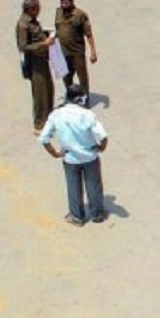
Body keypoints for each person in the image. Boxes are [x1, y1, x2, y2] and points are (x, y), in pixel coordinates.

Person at [38, 85, 108, 226]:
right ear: (79, 98)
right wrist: (101, 147)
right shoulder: (87, 114)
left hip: (70, 159)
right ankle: (98, 214)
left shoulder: (56, 115)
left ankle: (77, 217)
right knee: (94, 186)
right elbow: (103, 136)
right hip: (90, 157)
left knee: (73, 187)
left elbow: (44, 139)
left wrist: (56, 154)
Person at [17, 0, 56, 134]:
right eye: (38, 8)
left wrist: (46, 34)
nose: (39, 10)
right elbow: (23, 46)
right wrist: (43, 44)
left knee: (49, 89)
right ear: (31, 9)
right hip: (34, 64)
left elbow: (35, 34)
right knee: (40, 94)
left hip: (42, 60)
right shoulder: (23, 25)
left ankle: (50, 118)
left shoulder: (32, 22)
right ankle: (39, 123)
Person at [54, 0, 97, 96]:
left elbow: (89, 34)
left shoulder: (80, 15)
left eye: (66, 3)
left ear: (72, 2)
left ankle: (85, 97)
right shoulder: (58, 12)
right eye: (62, 3)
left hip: (77, 52)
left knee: (82, 76)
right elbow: (57, 28)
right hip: (64, 51)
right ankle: (70, 96)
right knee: (66, 76)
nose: (64, 5)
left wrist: (93, 52)